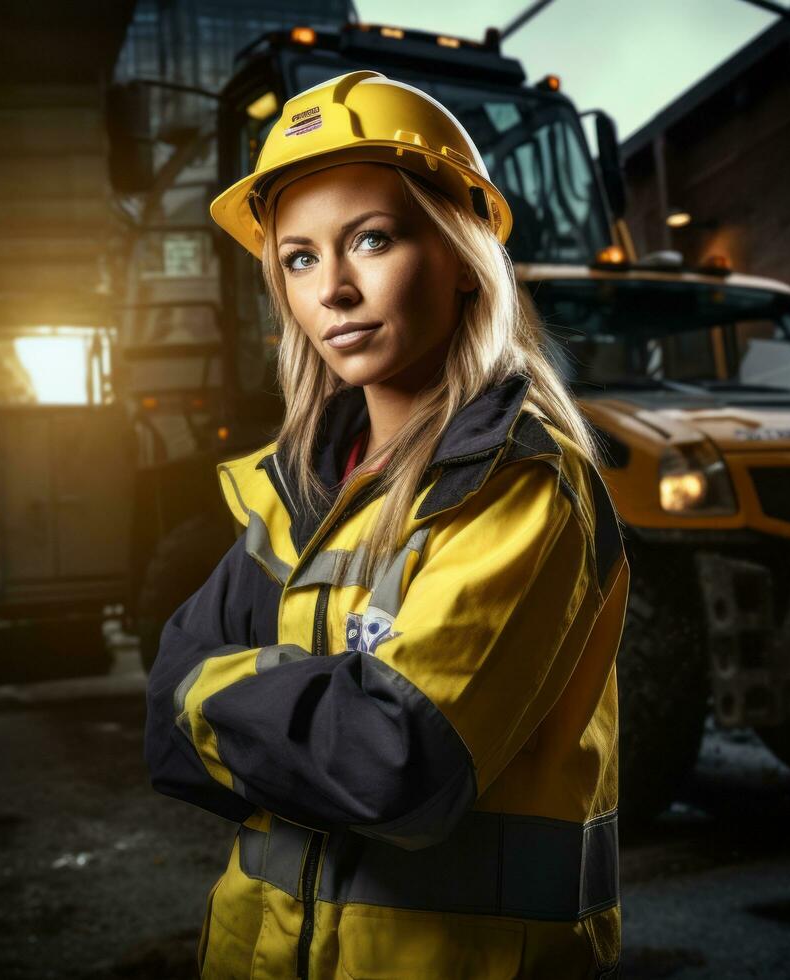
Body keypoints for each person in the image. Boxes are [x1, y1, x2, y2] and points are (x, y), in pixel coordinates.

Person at [143, 69, 629, 980]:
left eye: (371, 239)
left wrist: (228, 694)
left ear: (459, 255)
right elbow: (161, 708)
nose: (332, 289)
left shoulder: (516, 482)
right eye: (297, 256)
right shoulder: (295, 491)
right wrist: (324, 697)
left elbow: (389, 766)